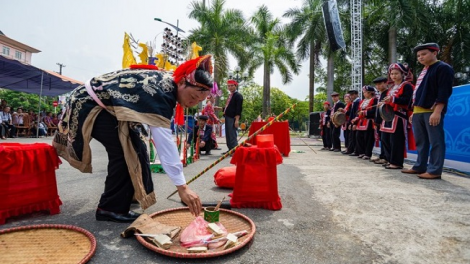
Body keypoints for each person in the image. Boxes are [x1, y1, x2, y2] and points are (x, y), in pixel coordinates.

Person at [53, 55, 213, 223]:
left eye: (199, 101)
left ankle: (126, 196)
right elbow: (164, 144)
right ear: (181, 83)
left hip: (105, 105)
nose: (193, 103)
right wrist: (182, 187)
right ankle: (110, 208)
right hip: (90, 103)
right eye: (193, 97)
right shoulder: (163, 93)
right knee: (124, 152)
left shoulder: (168, 84)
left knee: (137, 148)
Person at [402, 43, 454, 179]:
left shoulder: (443, 68)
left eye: (424, 54)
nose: (420, 57)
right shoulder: (425, 70)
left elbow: (444, 91)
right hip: (418, 111)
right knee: (421, 141)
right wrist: (414, 111)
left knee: (436, 141)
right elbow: (419, 93)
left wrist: (437, 111)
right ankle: (420, 166)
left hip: (431, 111)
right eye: (418, 55)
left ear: (435, 53)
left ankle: (435, 170)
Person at [379, 63, 414, 169]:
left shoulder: (407, 85)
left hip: (399, 116)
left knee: (396, 140)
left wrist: (393, 100)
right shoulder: (392, 87)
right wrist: (384, 103)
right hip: (388, 116)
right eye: (392, 73)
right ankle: (390, 160)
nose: (393, 76)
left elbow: (408, 100)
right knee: (385, 139)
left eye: (396, 73)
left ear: (402, 74)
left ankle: (397, 162)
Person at [353, 86, 378, 160]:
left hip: (369, 121)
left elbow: (374, 111)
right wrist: (357, 115)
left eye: (365, 92)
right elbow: (358, 110)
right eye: (363, 92)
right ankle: (361, 152)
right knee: (359, 137)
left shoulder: (374, 100)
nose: (364, 94)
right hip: (361, 121)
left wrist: (365, 112)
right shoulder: (362, 101)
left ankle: (367, 153)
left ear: (370, 93)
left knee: (368, 138)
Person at [371, 76, 389, 165]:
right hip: (379, 121)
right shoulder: (380, 94)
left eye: (380, 84)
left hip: (385, 119)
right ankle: (382, 156)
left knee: (386, 140)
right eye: (376, 85)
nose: (378, 86)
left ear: (386, 83)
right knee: (382, 139)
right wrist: (376, 121)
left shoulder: (387, 93)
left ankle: (386, 157)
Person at [222, 79, 243, 154]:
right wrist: (220, 108)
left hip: (233, 117)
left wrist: (237, 119)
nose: (230, 87)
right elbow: (229, 107)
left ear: (235, 86)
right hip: (227, 116)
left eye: (231, 86)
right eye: (228, 86)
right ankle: (230, 149)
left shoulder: (238, 96)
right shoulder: (230, 96)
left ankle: (235, 150)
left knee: (232, 134)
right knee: (228, 134)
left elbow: (238, 109)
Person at [345, 90, 361, 155]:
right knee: (351, 136)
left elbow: (356, 113)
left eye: (352, 95)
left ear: (356, 94)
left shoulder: (358, 102)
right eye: (350, 95)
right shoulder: (354, 102)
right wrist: (350, 122)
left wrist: (354, 123)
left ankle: (355, 150)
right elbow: (352, 114)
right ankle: (351, 149)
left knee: (354, 137)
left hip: (355, 121)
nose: (351, 96)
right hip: (352, 121)